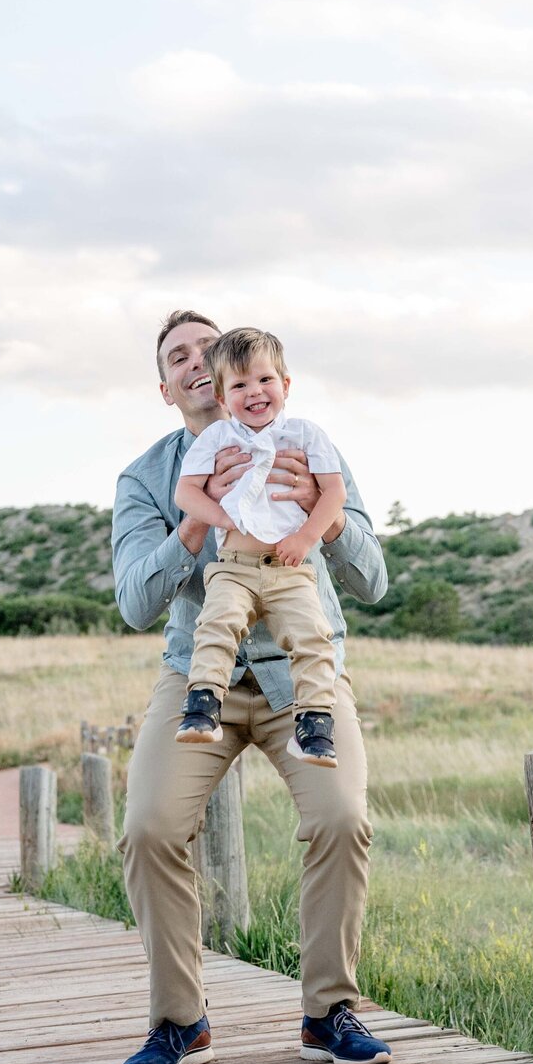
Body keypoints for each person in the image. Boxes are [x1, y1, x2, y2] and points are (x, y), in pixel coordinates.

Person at [112, 310, 393, 1064]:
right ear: (167, 387)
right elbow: (136, 601)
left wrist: (318, 514)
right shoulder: (147, 477)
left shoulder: (307, 444)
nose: (197, 361)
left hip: (298, 675)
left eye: (210, 348)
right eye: (179, 357)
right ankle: (180, 1021)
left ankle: (327, 1011)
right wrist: (196, 524)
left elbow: (374, 579)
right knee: (147, 828)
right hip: (198, 673)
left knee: (341, 815)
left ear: (247, 371)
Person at [173, 326, 347, 768]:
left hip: (289, 565)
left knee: (313, 637)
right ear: (222, 394)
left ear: (285, 385)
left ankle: (313, 724)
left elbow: (334, 494)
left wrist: (306, 537)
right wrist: (223, 517)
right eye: (239, 385)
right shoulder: (216, 440)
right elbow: (187, 494)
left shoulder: (306, 435)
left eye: (265, 380)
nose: (255, 392)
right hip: (234, 563)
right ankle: (203, 706)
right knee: (217, 624)